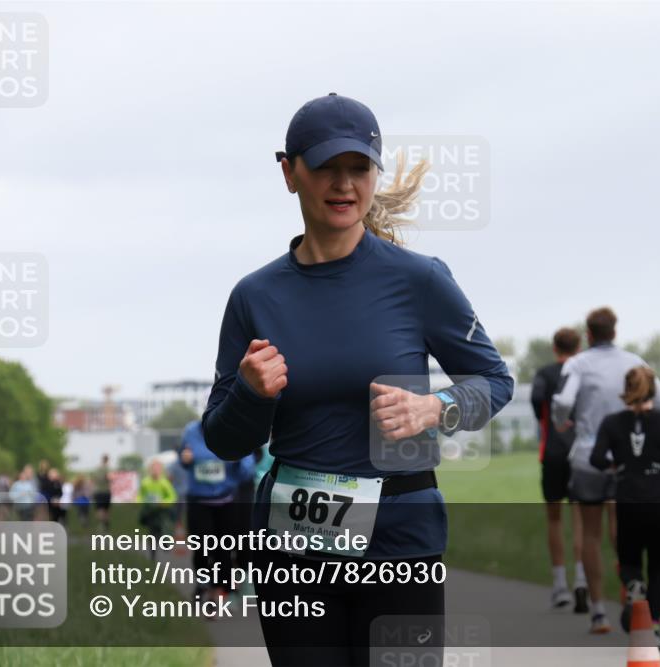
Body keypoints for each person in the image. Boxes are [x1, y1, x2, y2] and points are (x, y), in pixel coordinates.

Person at [201, 93, 513, 667]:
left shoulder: (418, 279)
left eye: (359, 168)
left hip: (401, 537)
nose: (344, 184)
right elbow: (222, 440)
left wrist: (434, 408)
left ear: (375, 173)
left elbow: (494, 381)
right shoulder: (255, 296)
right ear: (289, 173)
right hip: (292, 549)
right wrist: (250, 393)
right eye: (326, 167)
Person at [552, 307, 660, 634]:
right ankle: (632, 601)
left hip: (589, 457)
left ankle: (597, 612)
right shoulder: (634, 361)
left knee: (590, 535)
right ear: (614, 332)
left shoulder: (578, 363)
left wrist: (561, 421)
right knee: (622, 532)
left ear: (588, 334)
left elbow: (563, 401)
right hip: (625, 459)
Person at [590, 366, 660, 650]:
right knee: (659, 570)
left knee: (629, 562)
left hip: (628, 497)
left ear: (627, 390)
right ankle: (656, 631)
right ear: (653, 390)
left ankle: (634, 587)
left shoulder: (612, 423)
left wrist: (618, 466)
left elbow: (596, 458)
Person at [529, 326, 586, 610]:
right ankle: (581, 579)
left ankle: (560, 585)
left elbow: (537, 399)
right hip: (579, 451)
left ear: (555, 348)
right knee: (579, 517)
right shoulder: (583, 372)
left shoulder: (545, 374)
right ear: (579, 348)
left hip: (551, 451)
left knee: (554, 518)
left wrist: (550, 422)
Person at [179, 419, 256, 603]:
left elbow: (247, 470)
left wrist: (237, 462)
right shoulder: (191, 430)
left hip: (226, 499)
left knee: (223, 548)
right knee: (201, 546)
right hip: (199, 499)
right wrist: (185, 459)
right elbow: (183, 458)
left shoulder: (235, 430)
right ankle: (203, 582)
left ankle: (217, 591)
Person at [137, 460, 178, 561]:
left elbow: (172, 496)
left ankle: (166, 543)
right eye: (153, 469)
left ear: (161, 471)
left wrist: (164, 502)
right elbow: (140, 495)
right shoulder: (145, 482)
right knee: (152, 534)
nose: (155, 471)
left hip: (163, 512)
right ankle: (152, 554)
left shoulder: (164, 483)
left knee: (165, 530)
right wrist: (139, 502)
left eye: (158, 469)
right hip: (151, 512)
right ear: (150, 470)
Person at [92, 454, 114, 531]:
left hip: (97, 491)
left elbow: (93, 479)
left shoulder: (97, 469)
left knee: (99, 509)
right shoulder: (107, 468)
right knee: (106, 509)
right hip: (105, 491)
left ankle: (100, 524)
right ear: (107, 460)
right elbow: (110, 477)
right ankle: (105, 525)